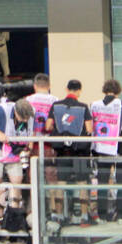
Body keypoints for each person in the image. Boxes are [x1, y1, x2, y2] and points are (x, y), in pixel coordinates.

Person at [0, 96, 33, 225]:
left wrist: (28, 147)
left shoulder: (30, 115)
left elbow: (31, 133)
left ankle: (15, 216)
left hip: (15, 150)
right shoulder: (3, 110)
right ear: (16, 112)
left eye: (27, 118)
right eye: (22, 118)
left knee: (17, 182)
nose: (25, 120)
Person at [47, 79, 94, 224]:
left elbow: (48, 126)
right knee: (82, 182)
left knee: (61, 182)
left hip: (62, 151)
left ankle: (59, 215)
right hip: (79, 152)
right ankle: (84, 216)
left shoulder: (56, 106)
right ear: (79, 91)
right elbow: (89, 129)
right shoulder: (83, 107)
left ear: (67, 90)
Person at [90, 79, 122, 222]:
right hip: (119, 150)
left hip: (101, 149)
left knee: (102, 183)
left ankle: (101, 215)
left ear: (104, 90)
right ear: (118, 90)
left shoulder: (94, 105)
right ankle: (121, 215)